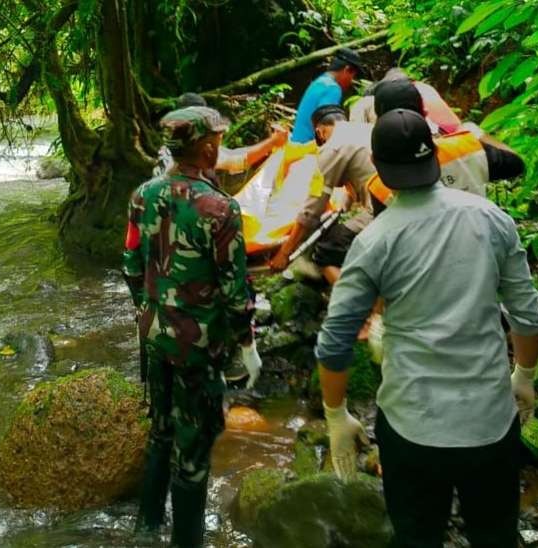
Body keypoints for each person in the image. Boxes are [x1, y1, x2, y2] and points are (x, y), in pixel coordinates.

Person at [315, 109, 538, 547]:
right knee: (495, 537)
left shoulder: (374, 241)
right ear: (436, 156)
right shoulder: (491, 219)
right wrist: (525, 376)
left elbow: (335, 342)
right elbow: (528, 315)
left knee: (417, 538)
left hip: (411, 428)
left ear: (378, 168)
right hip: (490, 422)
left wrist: (335, 416)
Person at [123, 106, 261, 547]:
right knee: (195, 450)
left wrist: (151, 311)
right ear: (206, 147)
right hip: (197, 348)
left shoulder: (142, 195)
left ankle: (146, 527)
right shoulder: (220, 208)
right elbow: (235, 291)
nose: (220, 145)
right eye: (219, 139)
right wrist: (247, 344)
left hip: (155, 337)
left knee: (161, 429)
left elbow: (130, 263)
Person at [368, 78, 525, 201]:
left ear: (378, 120)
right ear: (424, 110)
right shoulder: (466, 147)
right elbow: (517, 164)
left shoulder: (379, 184)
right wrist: (475, 132)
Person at [268, 105, 376, 277]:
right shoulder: (367, 129)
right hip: (396, 198)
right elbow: (360, 174)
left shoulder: (333, 147)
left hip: (378, 211)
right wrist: (343, 208)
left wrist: (285, 252)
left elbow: (313, 206)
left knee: (325, 251)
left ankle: (351, 301)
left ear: (320, 131)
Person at [154, 92, 288, 177]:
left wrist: (272, 141)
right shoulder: (197, 152)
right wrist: (273, 142)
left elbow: (233, 156)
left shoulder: (170, 148)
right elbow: (238, 160)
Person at [289, 47, 364, 144]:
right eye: (352, 77)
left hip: (296, 144)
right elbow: (328, 130)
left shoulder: (319, 82)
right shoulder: (332, 88)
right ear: (347, 70)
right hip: (307, 150)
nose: (351, 81)